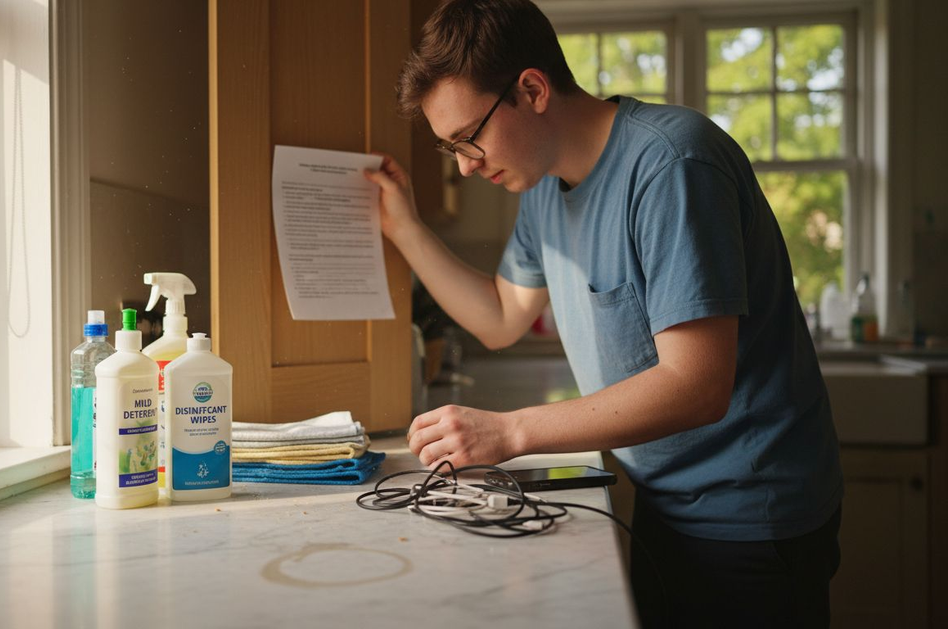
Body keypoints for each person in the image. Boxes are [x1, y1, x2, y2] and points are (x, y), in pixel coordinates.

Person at [361, 1, 843, 627]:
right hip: (669, 501)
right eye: (448, 147)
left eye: (468, 138)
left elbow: (696, 384)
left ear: (531, 89)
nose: (465, 165)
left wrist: (510, 433)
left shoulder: (672, 165)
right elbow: (501, 316)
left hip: (749, 516)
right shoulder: (541, 189)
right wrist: (405, 229)